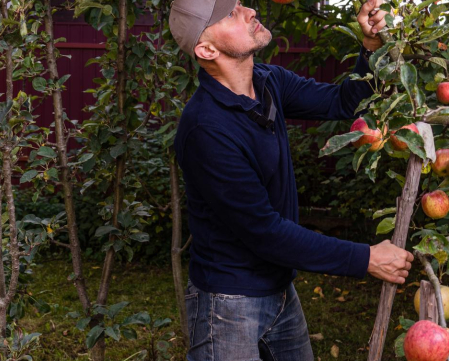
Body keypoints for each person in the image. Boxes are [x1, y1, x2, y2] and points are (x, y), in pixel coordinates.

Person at [169, 1, 414, 360]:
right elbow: (265, 232)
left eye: (240, 3)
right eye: (230, 14)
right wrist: (365, 258)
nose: (249, 10)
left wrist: (371, 47)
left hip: (280, 291)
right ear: (207, 50)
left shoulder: (268, 82)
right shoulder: (206, 130)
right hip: (227, 305)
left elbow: (345, 102)